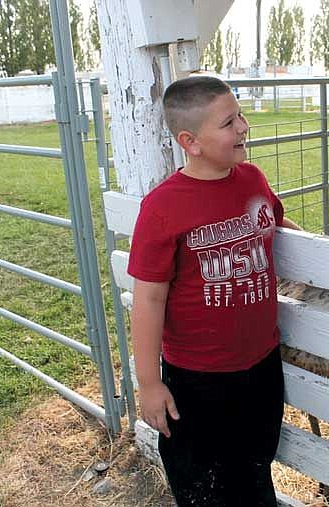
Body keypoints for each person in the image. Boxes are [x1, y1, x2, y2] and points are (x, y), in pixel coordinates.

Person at [127, 75, 300, 506]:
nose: (243, 126)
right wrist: (149, 383)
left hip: (261, 367)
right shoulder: (164, 207)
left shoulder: (252, 180)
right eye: (228, 122)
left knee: (256, 472)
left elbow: (280, 227)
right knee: (201, 486)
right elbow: (149, 299)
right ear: (192, 141)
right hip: (196, 382)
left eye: (240, 115)